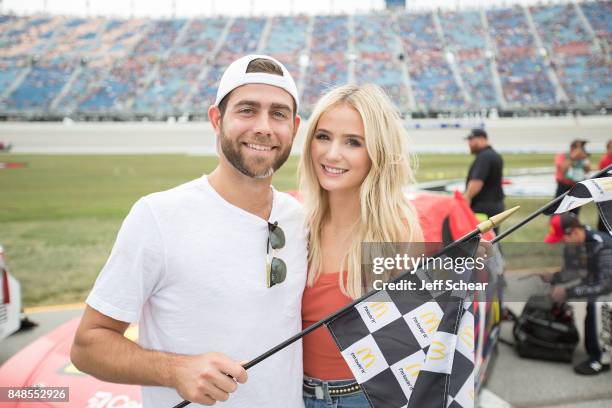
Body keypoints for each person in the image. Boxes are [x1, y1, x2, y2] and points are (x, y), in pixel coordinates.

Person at [70, 55, 308, 407]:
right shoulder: (158, 216)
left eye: (278, 114)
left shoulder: (300, 218)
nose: (264, 127)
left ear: (295, 126)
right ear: (216, 119)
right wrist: (175, 370)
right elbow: (88, 345)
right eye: (247, 110)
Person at [298, 84, 424, 407]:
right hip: (291, 393)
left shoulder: (395, 230)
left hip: (362, 398)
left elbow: (410, 343)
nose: (331, 153)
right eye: (323, 136)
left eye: (352, 142)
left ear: (377, 152)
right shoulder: (297, 222)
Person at [546, 213, 612, 375]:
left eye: (563, 238)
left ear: (574, 232)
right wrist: (554, 277)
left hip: (608, 286)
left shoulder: (603, 245)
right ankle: (593, 348)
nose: (562, 242)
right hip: (602, 284)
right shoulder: (576, 244)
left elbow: (605, 285)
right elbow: (572, 271)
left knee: (597, 304)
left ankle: (601, 360)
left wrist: (568, 292)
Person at [464, 129, 505, 231]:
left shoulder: (484, 157)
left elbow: (477, 182)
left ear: (481, 139)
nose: (469, 143)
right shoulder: (494, 155)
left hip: (483, 208)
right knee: (493, 239)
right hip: (495, 205)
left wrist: (467, 198)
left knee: (482, 240)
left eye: (471, 140)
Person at [553, 140, 591, 215]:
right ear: (572, 148)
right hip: (563, 186)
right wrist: (572, 157)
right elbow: (563, 169)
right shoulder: (562, 156)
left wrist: (584, 159)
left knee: (574, 212)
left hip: (577, 187)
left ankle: (572, 225)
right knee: (557, 209)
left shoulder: (582, 158)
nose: (582, 150)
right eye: (580, 148)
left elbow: (587, 170)